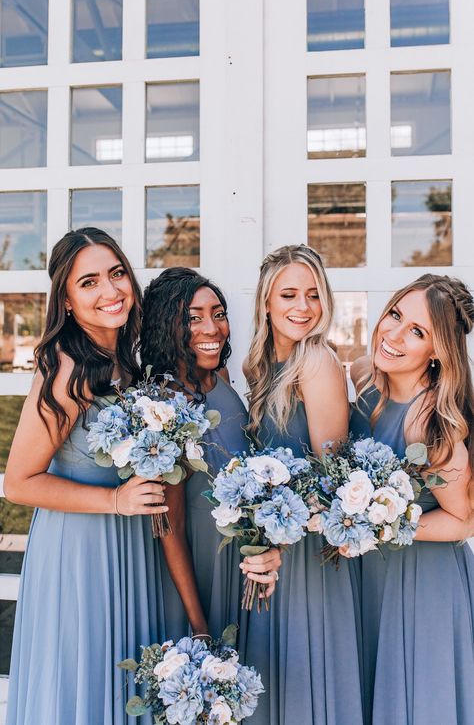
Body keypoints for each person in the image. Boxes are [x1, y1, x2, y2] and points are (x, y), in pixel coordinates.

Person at [4, 228, 169, 725]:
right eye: (89, 282)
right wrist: (116, 501)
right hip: (79, 553)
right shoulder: (67, 368)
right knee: (86, 683)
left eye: (117, 274)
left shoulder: (126, 362)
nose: (110, 291)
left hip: (127, 546)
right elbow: (19, 483)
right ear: (68, 301)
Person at [239, 244, 364, 725]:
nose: (303, 307)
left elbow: (329, 481)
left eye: (313, 295)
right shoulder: (259, 367)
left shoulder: (317, 362)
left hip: (306, 558)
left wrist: (281, 545)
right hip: (270, 553)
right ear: (266, 303)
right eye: (288, 294)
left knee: (304, 690)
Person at [350, 273, 474, 725]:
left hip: (424, 583)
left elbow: (463, 521)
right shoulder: (365, 376)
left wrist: (377, 523)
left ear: (439, 351)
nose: (395, 335)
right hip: (372, 577)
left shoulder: (432, 425)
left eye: (417, 332)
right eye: (396, 315)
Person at [139, 267, 281, 641]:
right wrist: (199, 627)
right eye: (193, 318)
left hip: (245, 550)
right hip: (206, 559)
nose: (212, 328)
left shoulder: (218, 377)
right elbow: (171, 528)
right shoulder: (165, 403)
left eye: (218, 314)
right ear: (165, 325)